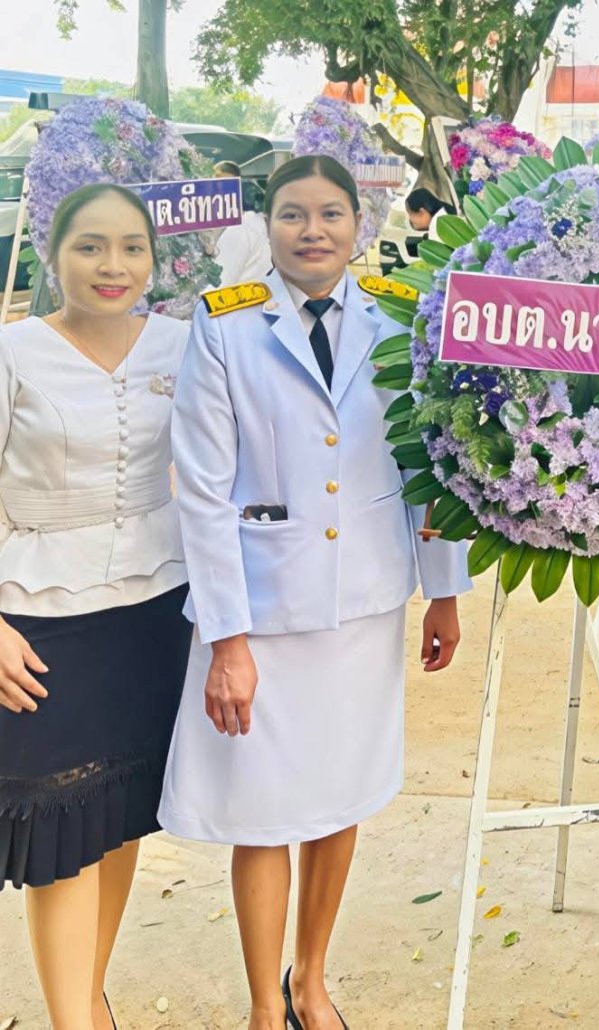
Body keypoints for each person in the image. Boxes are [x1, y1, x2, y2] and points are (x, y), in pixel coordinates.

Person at [158, 154, 470, 1030]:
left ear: (359, 226)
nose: (313, 230)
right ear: (268, 224)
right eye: (292, 214)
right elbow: (204, 492)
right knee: (263, 812)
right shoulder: (224, 324)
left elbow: (433, 463)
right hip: (262, 610)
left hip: (364, 600)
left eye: (331, 213)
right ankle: (266, 1004)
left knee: (341, 795)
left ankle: (311, 980)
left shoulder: (401, 317)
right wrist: (225, 640)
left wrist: (444, 591)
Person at [0, 183, 190, 1030]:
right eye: (89, 246)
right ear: (53, 255)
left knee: (117, 818)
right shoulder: (14, 353)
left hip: (155, 613)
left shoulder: (185, 345)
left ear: (154, 258)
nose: (112, 265)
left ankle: (90, 1005)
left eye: (131, 247)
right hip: (40, 622)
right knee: (61, 838)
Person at [213, 160, 272, 287]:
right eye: (217, 184)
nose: (221, 190)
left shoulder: (244, 227)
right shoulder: (203, 221)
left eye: (227, 185)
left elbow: (218, 284)